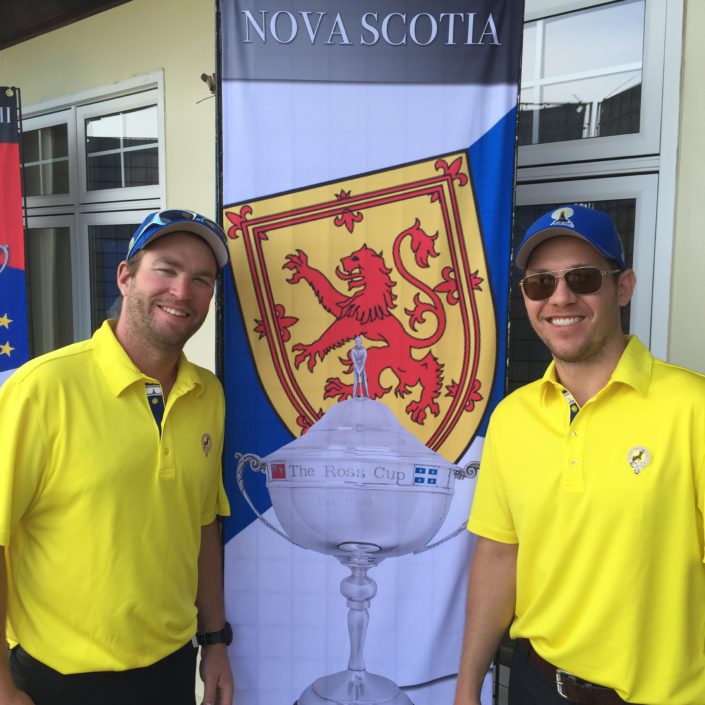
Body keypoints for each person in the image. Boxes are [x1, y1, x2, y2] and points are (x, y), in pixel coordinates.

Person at [453, 204, 705, 705]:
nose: (560, 297)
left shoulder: (692, 407)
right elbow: (500, 557)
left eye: (583, 278)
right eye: (540, 283)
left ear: (624, 287)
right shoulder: (512, 417)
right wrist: (467, 688)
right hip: (534, 686)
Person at [0, 209, 235, 705]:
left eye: (201, 280)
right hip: (58, 680)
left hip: (171, 668)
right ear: (125, 277)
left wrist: (214, 640)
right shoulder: (41, 390)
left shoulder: (208, 394)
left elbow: (202, 523)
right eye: (166, 270)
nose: (182, 291)